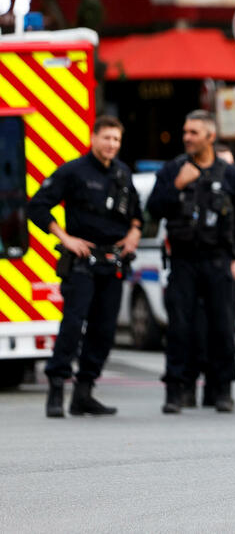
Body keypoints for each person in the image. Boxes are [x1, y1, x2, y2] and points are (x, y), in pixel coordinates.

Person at [28, 116, 142, 418]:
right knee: (73, 325)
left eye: (116, 140)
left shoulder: (122, 173)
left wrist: (134, 232)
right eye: (106, 138)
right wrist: (65, 238)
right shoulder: (74, 171)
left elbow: (136, 213)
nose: (111, 145)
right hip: (82, 262)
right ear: (93, 138)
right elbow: (37, 206)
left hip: (112, 261)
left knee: (104, 330)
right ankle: (56, 390)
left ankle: (84, 393)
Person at [147, 110, 235, 414]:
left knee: (222, 327)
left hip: (218, 260)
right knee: (179, 327)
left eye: (193, 132)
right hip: (183, 261)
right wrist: (177, 186)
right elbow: (153, 209)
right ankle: (175, 391)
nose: (187, 138)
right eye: (185, 132)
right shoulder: (173, 170)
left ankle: (223, 390)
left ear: (210, 136)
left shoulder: (230, 174)